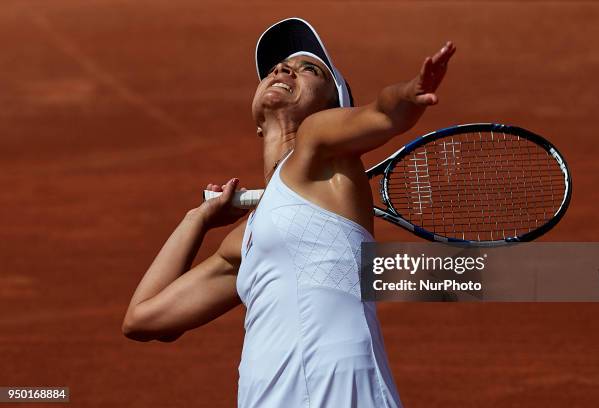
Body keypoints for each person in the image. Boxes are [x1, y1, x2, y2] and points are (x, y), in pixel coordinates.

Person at [122, 17, 455, 408]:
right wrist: (196, 220)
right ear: (258, 126)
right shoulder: (243, 242)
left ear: (333, 111)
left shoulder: (320, 149)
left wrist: (409, 94)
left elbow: (384, 114)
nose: (283, 69)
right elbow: (143, 320)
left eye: (308, 69)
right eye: (280, 67)